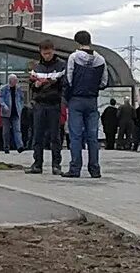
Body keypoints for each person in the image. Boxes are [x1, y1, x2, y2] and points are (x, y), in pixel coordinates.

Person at [63, 31, 107, 178]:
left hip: (76, 99)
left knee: (75, 136)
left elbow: (69, 79)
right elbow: (104, 82)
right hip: (92, 100)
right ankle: (95, 169)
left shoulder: (74, 57)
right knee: (92, 136)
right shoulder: (100, 59)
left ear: (77, 42)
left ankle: (75, 168)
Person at [26, 39, 66, 175]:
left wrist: (51, 84)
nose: (47, 56)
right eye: (44, 53)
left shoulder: (61, 66)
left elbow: (63, 84)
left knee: (55, 136)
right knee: (38, 135)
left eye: (49, 53)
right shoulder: (36, 68)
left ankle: (56, 164)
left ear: (53, 51)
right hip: (40, 104)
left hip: (54, 104)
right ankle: (37, 164)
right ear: (41, 52)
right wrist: (36, 85)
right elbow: (31, 85)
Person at [0, 74, 25, 153]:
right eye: (15, 80)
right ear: (10, 81)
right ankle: (6, 147)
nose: (16, 81)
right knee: (6, 131)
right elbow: (0, 98)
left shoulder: (18, 88)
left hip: (16, 112)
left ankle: (20, 146)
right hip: (6, 113)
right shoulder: (4, 88)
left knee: (17, 130)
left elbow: (21, 98)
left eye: (16, 80)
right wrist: (4, 105)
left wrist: (21, 107)